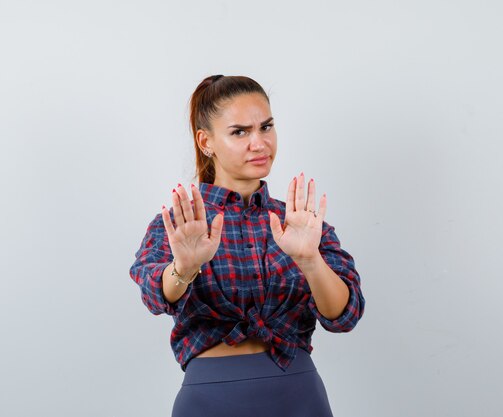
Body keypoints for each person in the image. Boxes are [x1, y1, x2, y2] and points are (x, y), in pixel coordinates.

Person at [129, 74, 366, 417]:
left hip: (298, 396)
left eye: (266, 127)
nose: (259, 143)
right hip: (211, 401)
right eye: (239, 132)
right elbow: (154, 295)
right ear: (205, 141)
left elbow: (344, 317)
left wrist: (310, 260)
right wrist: (184, 268)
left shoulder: (299, 223)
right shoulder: (183, 224)